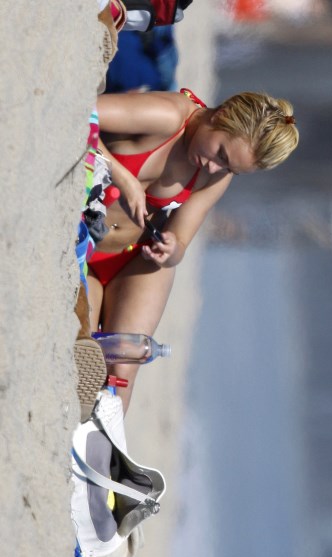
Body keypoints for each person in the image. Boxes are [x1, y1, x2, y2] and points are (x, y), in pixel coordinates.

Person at [87, 88, 299, 414]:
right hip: (87, 249)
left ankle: (104, 452)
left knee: (125, 362)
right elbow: (82, 112)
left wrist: (172, 250)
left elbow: (182, 239)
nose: (215, 168)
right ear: (221, 114)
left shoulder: (215, 176)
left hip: (133, 257)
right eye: (221, 155)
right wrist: (124, 178)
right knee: (88, 345)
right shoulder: (167, 116)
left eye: (230, 169)